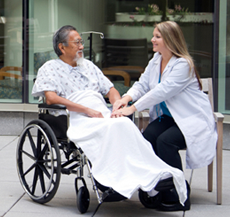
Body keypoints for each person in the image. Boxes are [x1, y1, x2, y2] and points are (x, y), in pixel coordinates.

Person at [32, 25, 187, 208]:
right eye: (77, 42)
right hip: (75, 114)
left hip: (100, 111)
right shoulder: (50, 68)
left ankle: (145, 174)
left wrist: (116, 104)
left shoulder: (88, 65)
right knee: (112, 128)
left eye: (81, 42)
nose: (82, 46)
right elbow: (50, 98)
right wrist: (86, 110)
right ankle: (109, 178)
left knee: (123, 124)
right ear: (62, 47)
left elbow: (110, 89)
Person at [112, 21, 218, 211]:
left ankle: (179, 195)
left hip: (191, 120)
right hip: (168, 118)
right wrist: (126, 98)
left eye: (157, 37)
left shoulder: (183, 65)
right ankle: (157, 187)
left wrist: (133, 108)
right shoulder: (156, 59)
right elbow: (143, 84)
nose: (152, 39)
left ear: (170, 40)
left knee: (165, 141)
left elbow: (162, 91)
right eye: (154, 35)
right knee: (147, 139)